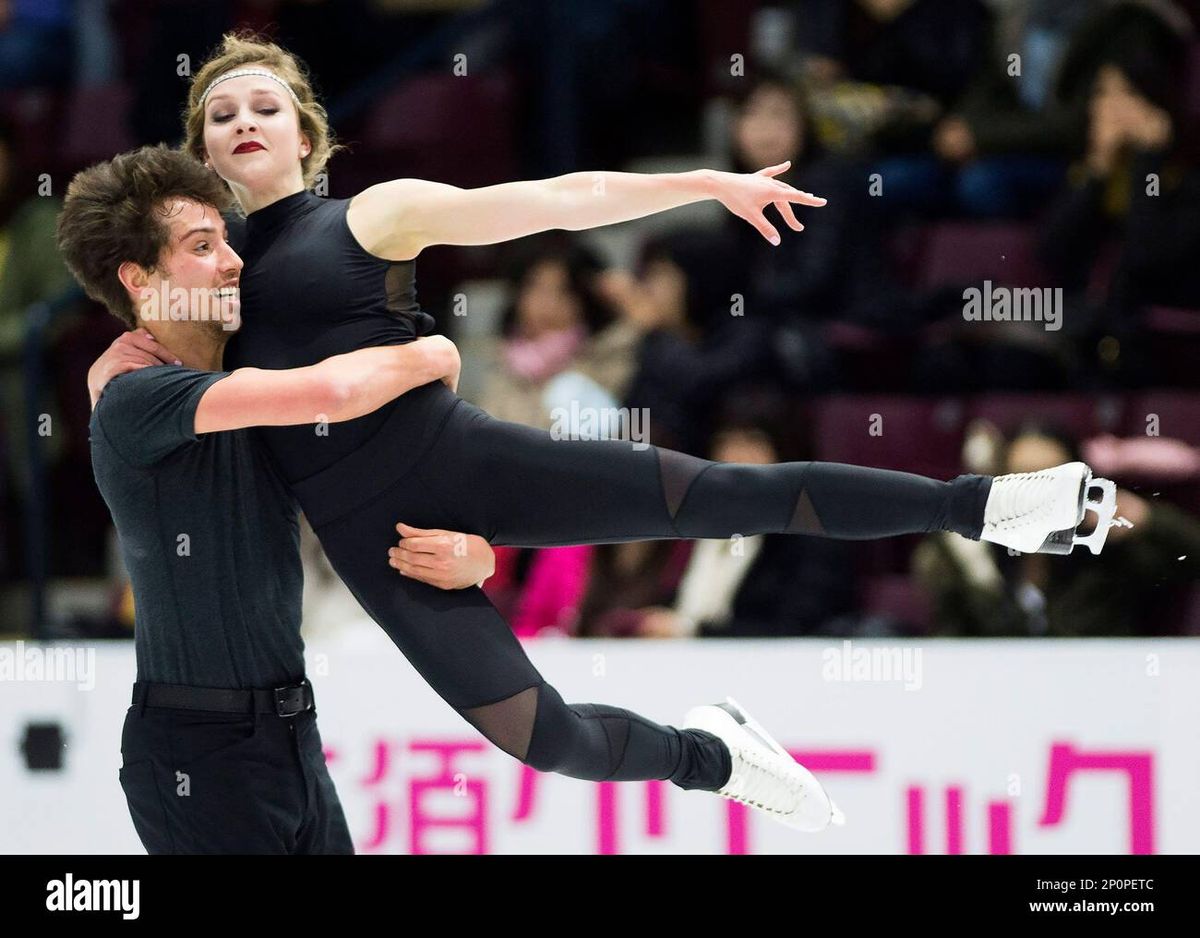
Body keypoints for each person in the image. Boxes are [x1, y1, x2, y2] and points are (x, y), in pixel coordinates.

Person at [88, 33, 1118, 833]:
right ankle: (713, 756)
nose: (243, 121)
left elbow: (550, 200)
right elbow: (195, 417)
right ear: (206, 150)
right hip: (384, 549)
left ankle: (991, 506)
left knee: (721, 492)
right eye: (220, 113)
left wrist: (701, 184)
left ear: (306, 134)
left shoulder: (369, 216)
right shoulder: (207, 298)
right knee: (544, 739)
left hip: (470, 459)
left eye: (265, 104)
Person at [58, 144, 493, 853]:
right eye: (204, 246)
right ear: (139, 278)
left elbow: (380, 457)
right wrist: (435, 355)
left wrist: (475, 546)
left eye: (227, 240)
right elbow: (335, 390)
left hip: (291, 731)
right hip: (198, 750)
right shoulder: (135, 396)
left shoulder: (245, 382)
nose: (234, 261)